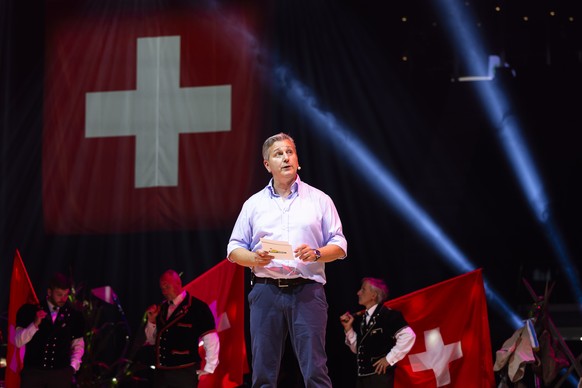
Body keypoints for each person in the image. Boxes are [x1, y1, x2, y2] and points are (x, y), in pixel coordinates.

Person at [227, 132, 348, 387]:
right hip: (265, 292)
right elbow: (234, 249)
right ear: (267, 165)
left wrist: (317, 253)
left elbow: (339, 245)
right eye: (278, 154)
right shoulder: (254, 204)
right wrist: (254, 257)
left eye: (289, 152)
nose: (285, 157)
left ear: (298, 160)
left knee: (315, 369)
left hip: (307, 291)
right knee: (263, 372)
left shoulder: (319, 199)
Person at [144, 269, 219, 388]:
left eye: (167, 286)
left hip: (184, 372)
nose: (164, 291)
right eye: (162, 288)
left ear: (178, 284)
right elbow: (152, 341)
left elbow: (211, 339)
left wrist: (209, 368)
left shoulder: (197, 307)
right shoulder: (161, 309)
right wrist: (152, 321)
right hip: (161, 373)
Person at [339, 278, 416, 388]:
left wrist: (389, 359)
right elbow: (358, 349)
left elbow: (409, 335)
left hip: (379, 377)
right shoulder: (363, 319)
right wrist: (348, 329)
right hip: (362, 378)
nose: (358, 293)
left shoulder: (388, 315)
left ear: (373, 295)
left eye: (363, 290)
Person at [14, 272, 85, 388]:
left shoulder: (74, 316)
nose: (63, 299)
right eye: (59, 294)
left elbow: (78, 344)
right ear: (49, 292)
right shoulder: (29, 310)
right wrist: (35, 324)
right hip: (33, 374)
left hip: (60, 375)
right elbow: (18, 341)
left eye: (66, 295)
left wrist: (72, 367)